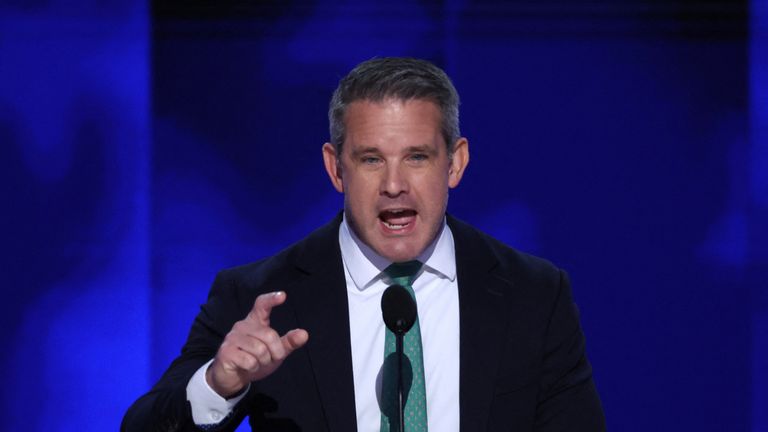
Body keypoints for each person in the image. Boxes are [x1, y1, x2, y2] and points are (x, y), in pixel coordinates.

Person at [122, 57, 605, 431]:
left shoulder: (534, 294)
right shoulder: (261, 297)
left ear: (455, 163)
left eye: (417, 157)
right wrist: (219, 383)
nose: (395, 185)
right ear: (336, 169)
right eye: (372, 160)